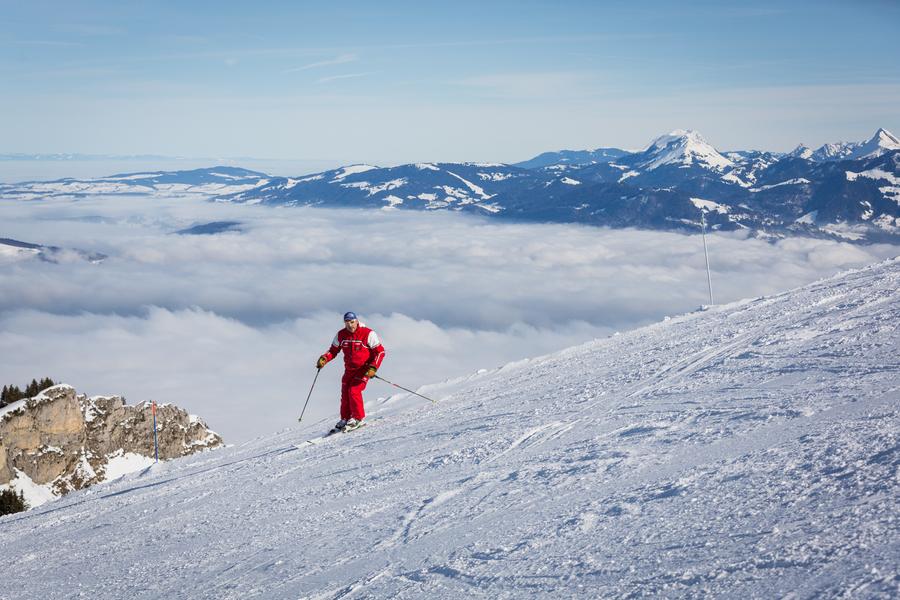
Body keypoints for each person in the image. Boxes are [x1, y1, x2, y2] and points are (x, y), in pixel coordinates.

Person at [316, 312, 386, 431]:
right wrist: (324, 358)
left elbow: (380, 352)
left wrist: (373, 367)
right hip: (349, 369)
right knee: (345, 392)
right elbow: (333, 351)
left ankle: (358, 418)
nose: (350, 325)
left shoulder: (368, 333)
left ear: (357, 321)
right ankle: (345, 418)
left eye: (352, 322)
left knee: (354, 390)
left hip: (364, 369)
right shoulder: (341, 335)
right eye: (347, 322)